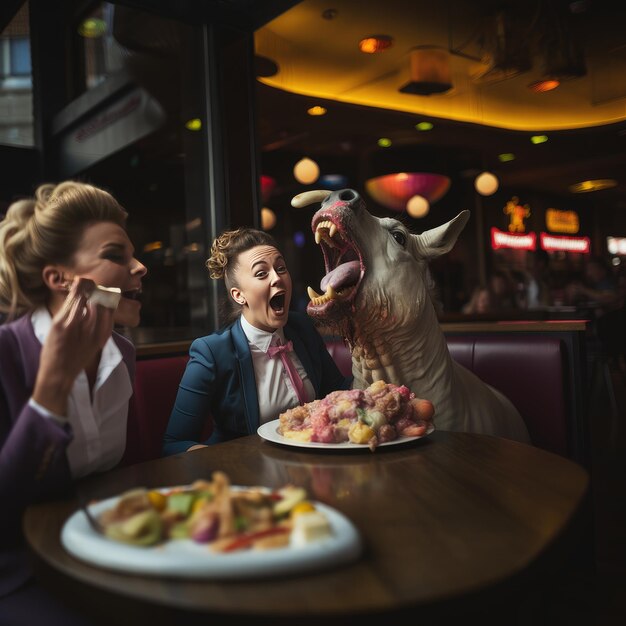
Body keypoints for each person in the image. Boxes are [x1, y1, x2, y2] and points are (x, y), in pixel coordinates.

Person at [0, 181, 147, 623]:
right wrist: (51, 391)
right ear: (59, 278)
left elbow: (124, 475)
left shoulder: (123, 352)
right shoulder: (5, 352)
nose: (140, 267)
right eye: (115, 256)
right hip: (23, 573)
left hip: (108, 555)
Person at [162, 228, 353, 455]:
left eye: (281, 268)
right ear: (238, 295)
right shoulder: (211, 352)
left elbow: (338, 392)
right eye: (262, 274)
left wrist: (371, 357)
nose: (277, 278)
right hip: (247, 471)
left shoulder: (301, 327)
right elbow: (175, 444)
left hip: (313, 463)